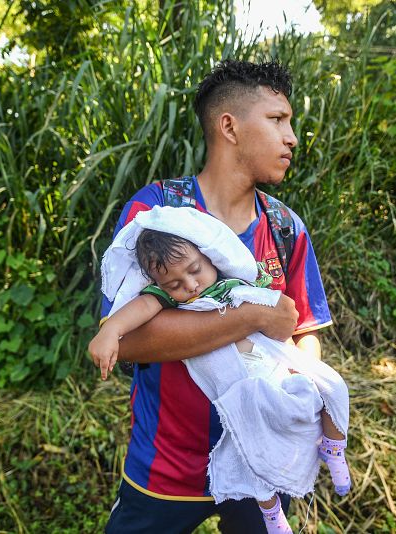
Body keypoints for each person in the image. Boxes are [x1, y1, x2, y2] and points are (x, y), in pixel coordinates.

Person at [90, 60, 339, 533]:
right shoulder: (157, 214)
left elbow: (302, 329)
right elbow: (129, 338)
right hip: (166, 466)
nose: (292, 137)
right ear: (229, 126)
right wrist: (250, 317)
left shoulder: (286, 228)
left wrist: (301, 395)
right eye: (277, 119)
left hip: (260, 462)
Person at [89, 207, 351, 534]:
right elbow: (140, 307)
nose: (190, 286)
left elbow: (290, 316)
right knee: (251, 438)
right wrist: (110, 332)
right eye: (173, 284)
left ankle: (333, 447)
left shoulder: (238, 275)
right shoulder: (168, 293)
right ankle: (271, 512)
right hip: (208, 415)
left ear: (210, 256)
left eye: (195, 270)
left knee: (331, 385)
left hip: (270, 367)